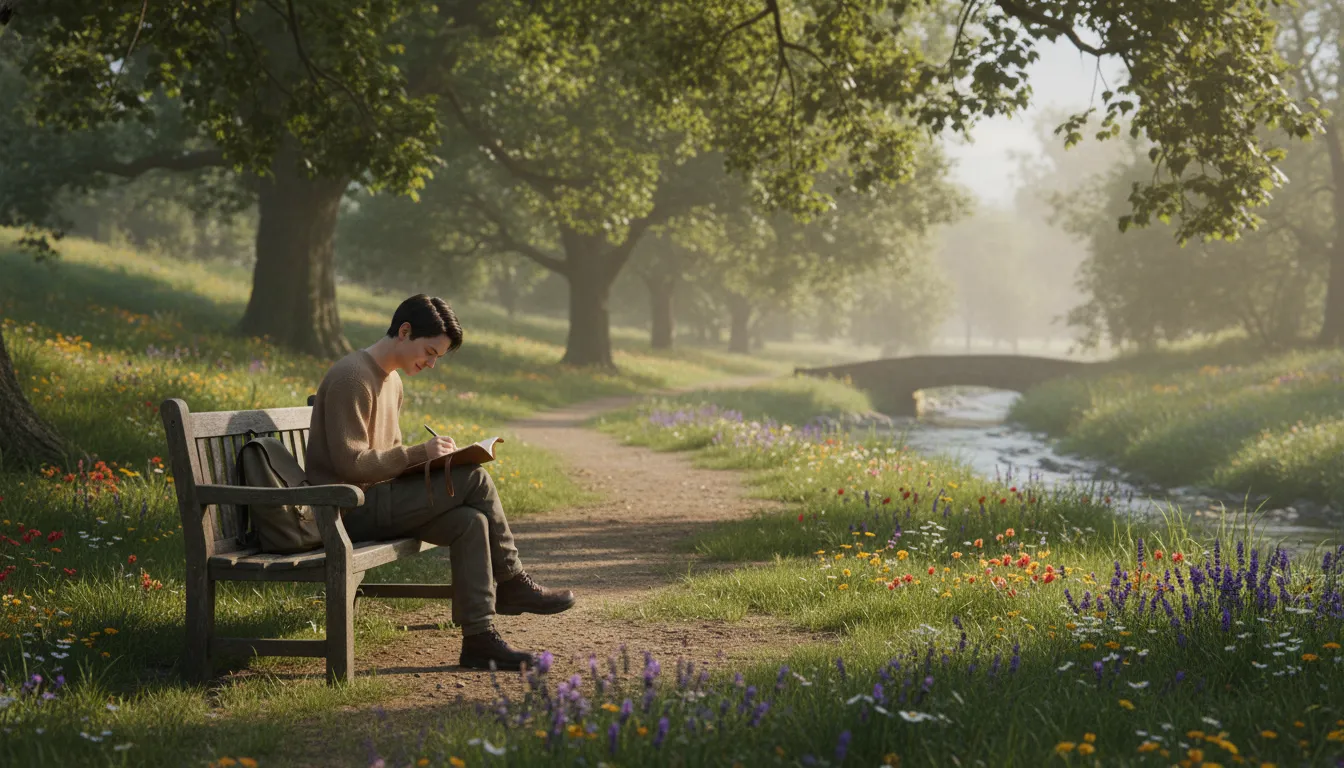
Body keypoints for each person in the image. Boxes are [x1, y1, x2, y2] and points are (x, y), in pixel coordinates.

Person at [305, 294, 575, 671]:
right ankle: (511, 582)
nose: (431, 363)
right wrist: (419, 454)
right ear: (404, 331)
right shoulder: (353, 376)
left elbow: (388, 458)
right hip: (346, 511)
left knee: (470, 522)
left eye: (438, 357)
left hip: (380, 499)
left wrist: (436, 463)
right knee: (476, 480)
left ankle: (479, 639)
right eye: (430, 352)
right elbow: (351, 466)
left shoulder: (393, 381)